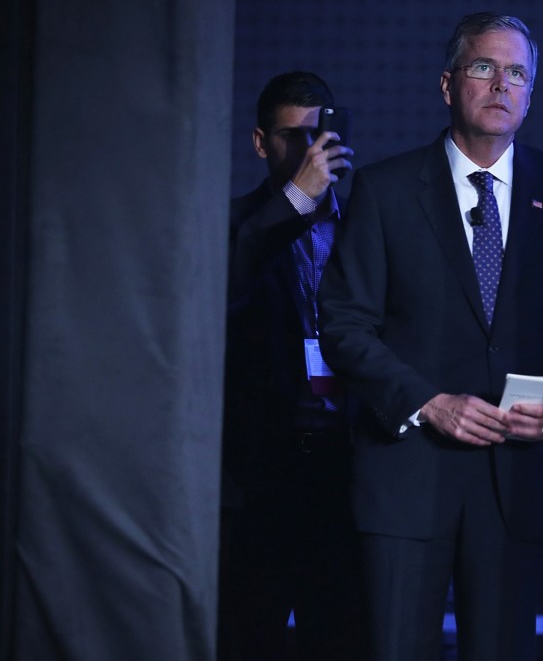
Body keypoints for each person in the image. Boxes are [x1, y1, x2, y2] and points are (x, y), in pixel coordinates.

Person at [317, 12, 543, 660]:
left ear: (531, 94)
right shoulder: (387, 189)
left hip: (516, 484)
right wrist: (429, 402)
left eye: (517, 73)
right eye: (484, 67)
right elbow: (343, 323)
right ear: (448, 83)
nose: (501, 85)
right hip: (406, 482)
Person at [219, 71, 367, 661]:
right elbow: (225, 285)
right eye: (290, 136)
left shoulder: (366, 227)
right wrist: (297, 201)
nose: (308, 151)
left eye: (318, 134)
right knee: (243, 637)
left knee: (342, 640)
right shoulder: (232, 226)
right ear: (260, 143)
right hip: (259, 481)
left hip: (346, 477)